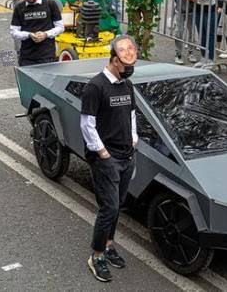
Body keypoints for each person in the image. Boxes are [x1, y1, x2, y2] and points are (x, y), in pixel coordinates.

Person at [80, 35, 139, 283]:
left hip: (127, 155)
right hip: (107, 159)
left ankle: (108, 244)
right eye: (126, 66)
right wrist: (102, 152)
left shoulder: (127, 85)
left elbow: (132, 114)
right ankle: (96, 256)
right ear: (114, 61)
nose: (129, 70)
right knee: (109, 208)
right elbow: (87, 124)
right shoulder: (95, 87)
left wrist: (134, 138)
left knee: (119, 204)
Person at [10, 0, 64, 66]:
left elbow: (60, 27)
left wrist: (46, 34)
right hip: (27, 57)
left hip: (47, 57)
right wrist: (29, 35)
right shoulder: (19, 8)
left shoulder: (50, 4)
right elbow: (13, 32)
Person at [184, 0, 220, 69]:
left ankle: (211, 59)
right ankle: (204, 57)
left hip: (210, 8)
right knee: (202, 33)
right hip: (199, 6)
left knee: (210, 34)